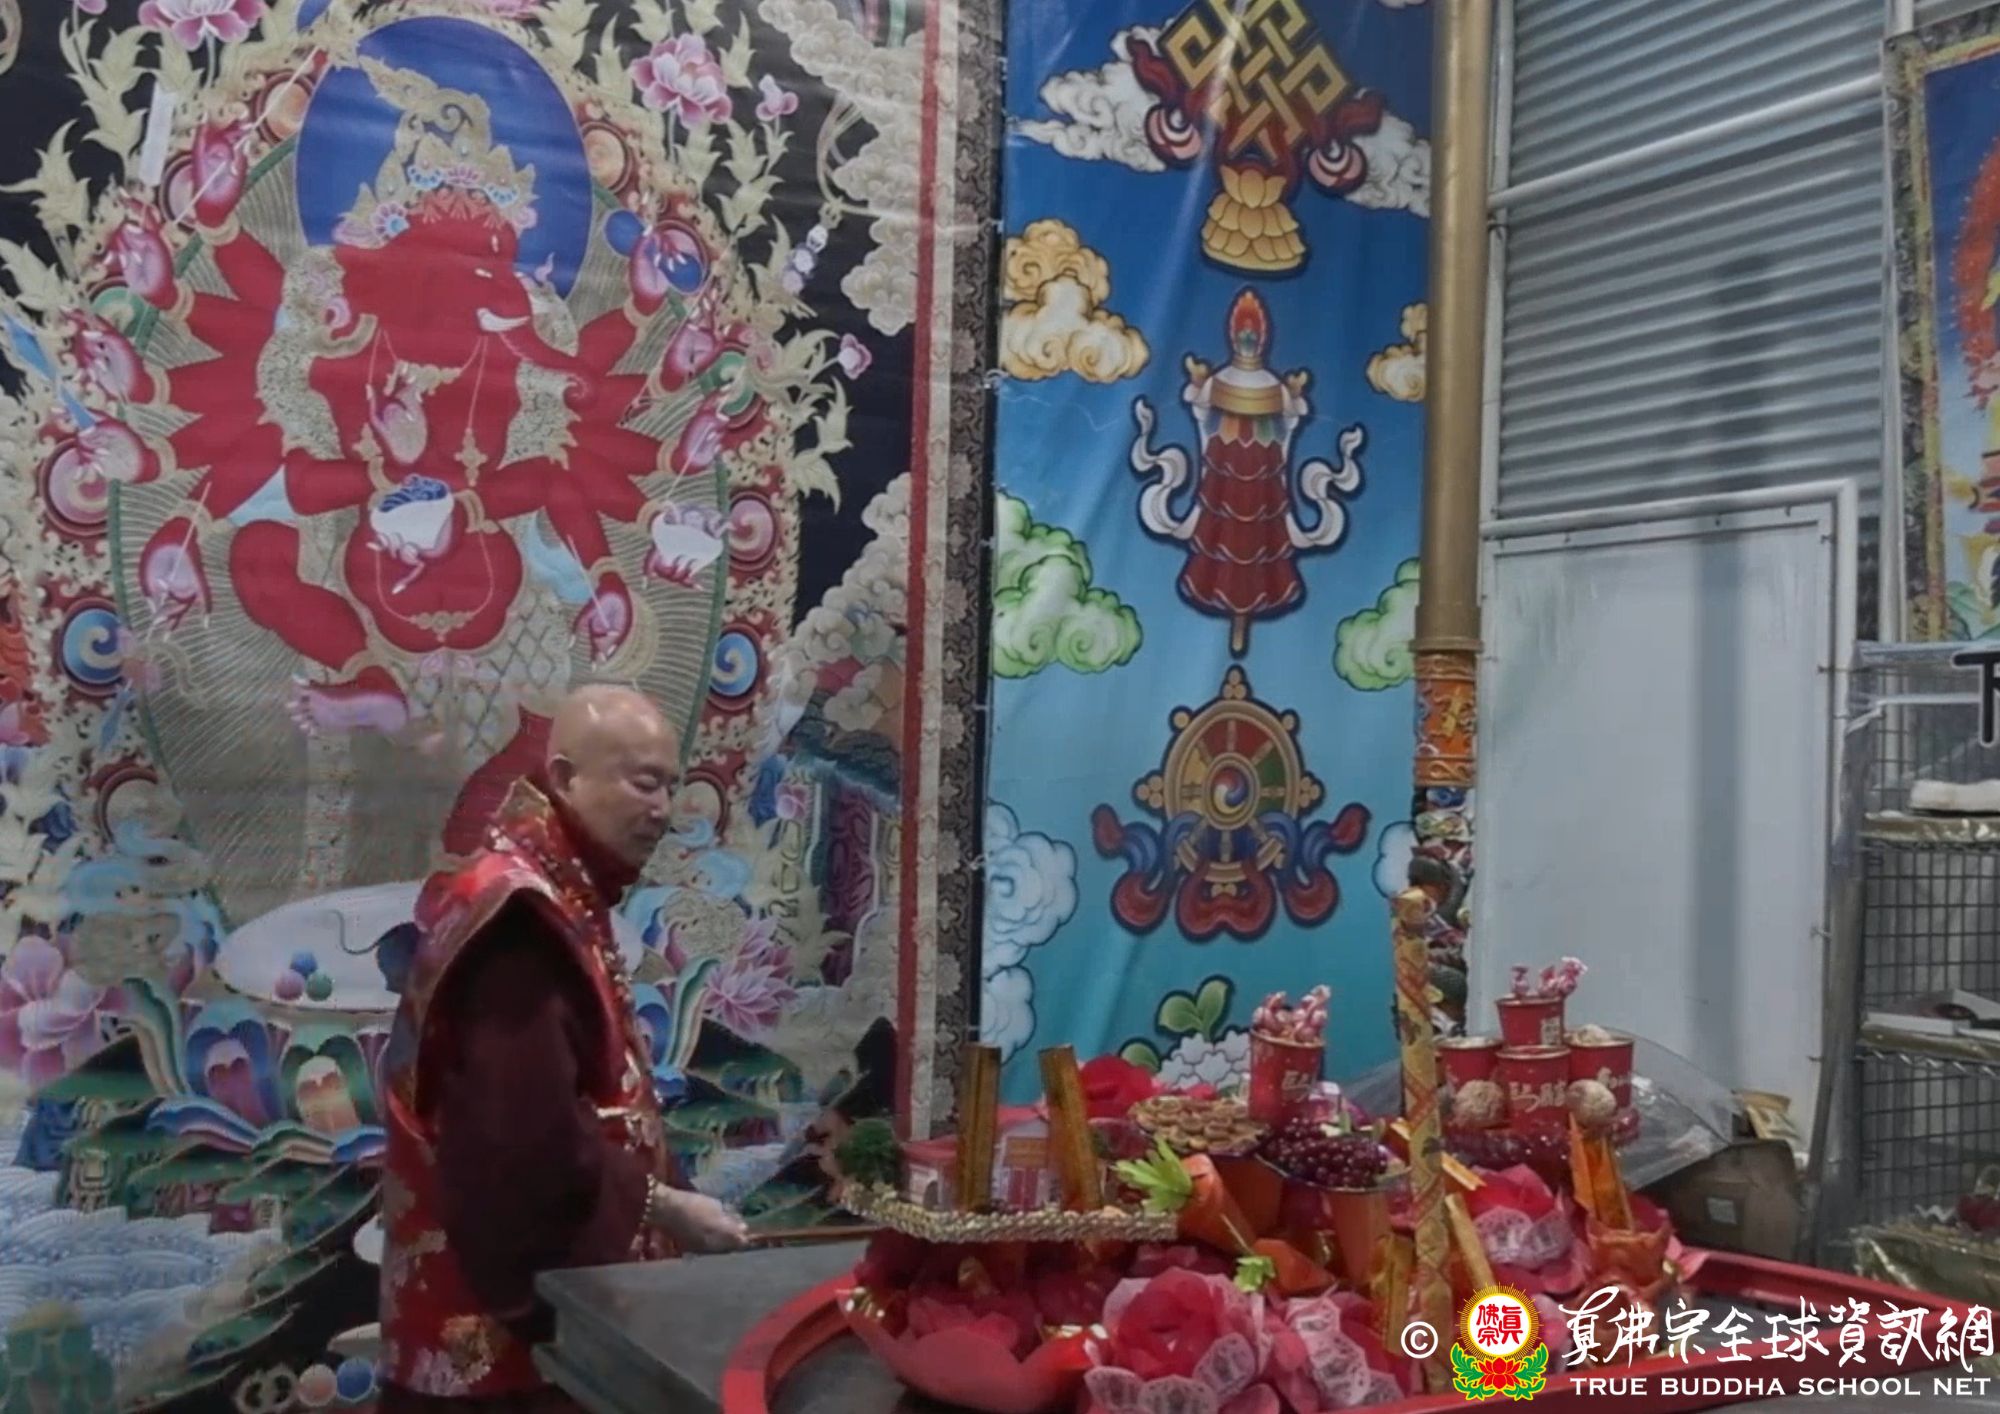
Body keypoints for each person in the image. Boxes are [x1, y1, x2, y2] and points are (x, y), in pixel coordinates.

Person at [378, 685, 749, 1411]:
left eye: (671, 788)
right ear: (565, 778)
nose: (663, 810)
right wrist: (664, 1207)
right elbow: (525, 1147)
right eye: (643, 782)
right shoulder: (520, 921)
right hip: (500, 1359)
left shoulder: (551, 888)